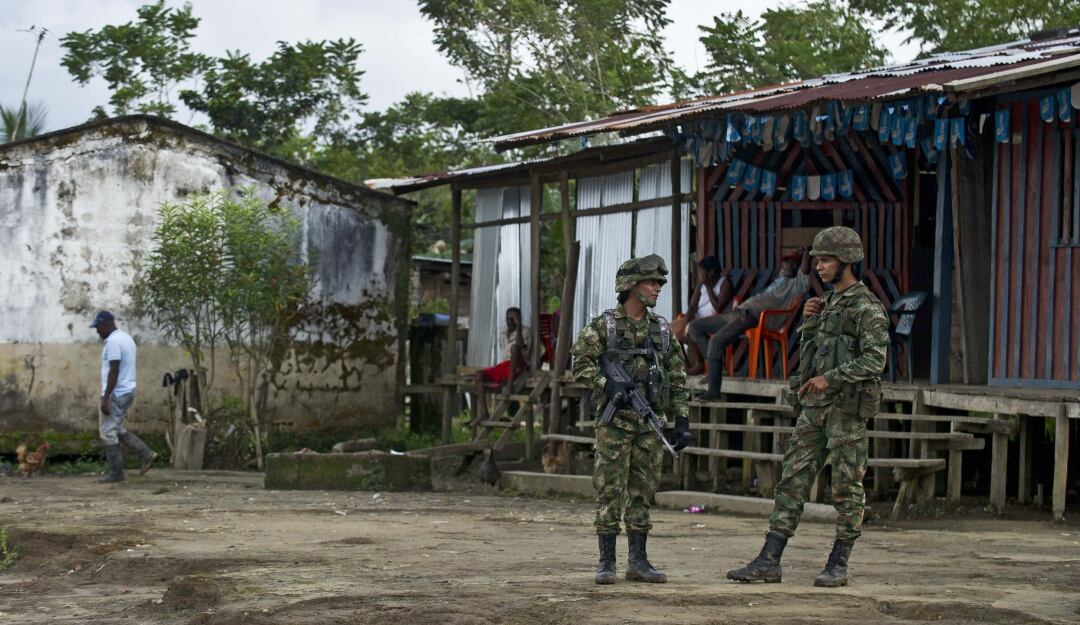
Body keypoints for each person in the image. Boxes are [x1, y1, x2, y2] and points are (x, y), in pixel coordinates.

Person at [726, 227, 888, 587]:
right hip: (815, 409)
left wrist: (830, 379)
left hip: (846, 411)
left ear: (846, 261)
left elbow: (875, 361)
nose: (818, 266)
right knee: (792, 481)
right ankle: (769, 560)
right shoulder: (828, 303)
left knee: (847, 488)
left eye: (825, 259)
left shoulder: (866, 307)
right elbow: (816, 354)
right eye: (817, 259)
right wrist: (811, 322)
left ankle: (838, 562)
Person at [570, 254, 691, 585]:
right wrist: (606, 384)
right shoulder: (604, 326)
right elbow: (580, 362)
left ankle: (638, 561)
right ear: (630, 286)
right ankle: (606, 561)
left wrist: (682, 420)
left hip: (649, 424)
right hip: (615, 424)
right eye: (651, 282)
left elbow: (678, 379)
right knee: (610, 490)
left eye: (660, 283)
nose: (657, 288)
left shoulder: (663, 331)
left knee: (644, 491)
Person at [691, 247, 811, 399]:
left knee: (715, 341)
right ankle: (715, 367)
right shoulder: (783, 277)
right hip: (739, 312)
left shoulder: (797, 284)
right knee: (695, 326)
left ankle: (713, 392)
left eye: (791, 263)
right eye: (785, 262)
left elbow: (805, 270)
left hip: (753, 316)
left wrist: (807, 253)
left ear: (796, 266)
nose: (786, 265)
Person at [92, 311, 158, 483]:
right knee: (116, 427)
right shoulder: (126, 338)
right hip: (127, 390)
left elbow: (114, 370)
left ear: (106, 324)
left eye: (98, 327)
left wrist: (106, 397)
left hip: (116, 392)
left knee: (107, 432)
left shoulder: (113, 342)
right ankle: (146, 453)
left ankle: (116, 473)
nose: (97, 331)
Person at [672, 256, 731, 375]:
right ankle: (686, 366)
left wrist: (708, 286)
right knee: (668, 331)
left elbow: (718, 307)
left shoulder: (725, 283)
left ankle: (701, 364)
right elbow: (693, 306)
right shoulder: (701, 283)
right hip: (697, 319)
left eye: (702, 272)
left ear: (711, 272)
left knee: (690, 328)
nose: (700, 275)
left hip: (716, 321)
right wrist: (684, 322)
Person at [472, 307, 529, 425]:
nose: (510, 321)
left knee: (514, 348)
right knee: (478, 375)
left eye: (513, 319)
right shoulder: (503, 332)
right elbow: (504, 356)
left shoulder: (525, 331)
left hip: (519, 364)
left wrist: (518, 326)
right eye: (508, 319)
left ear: (519, 319)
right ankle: (484, 412)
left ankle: (509, 385)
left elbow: (520, 346)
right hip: (505, 365)